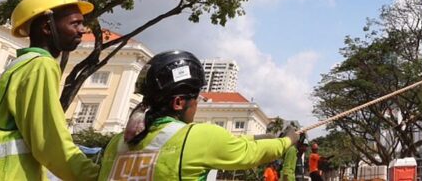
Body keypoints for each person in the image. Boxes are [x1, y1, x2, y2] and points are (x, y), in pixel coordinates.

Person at [0, 0, 99, 181]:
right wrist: (97, 176)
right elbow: (49, 139)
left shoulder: (22, 63)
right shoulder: (41, 65)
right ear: (47, 27)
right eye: (75, 23)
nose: (83, 30)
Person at [98, 50, 300, 180]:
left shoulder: (116, 143)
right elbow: (250, 154)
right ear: (179, 103)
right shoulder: (197, 137)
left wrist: (252, 137)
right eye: (196, 98)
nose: (197, 105)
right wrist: (287, 141)